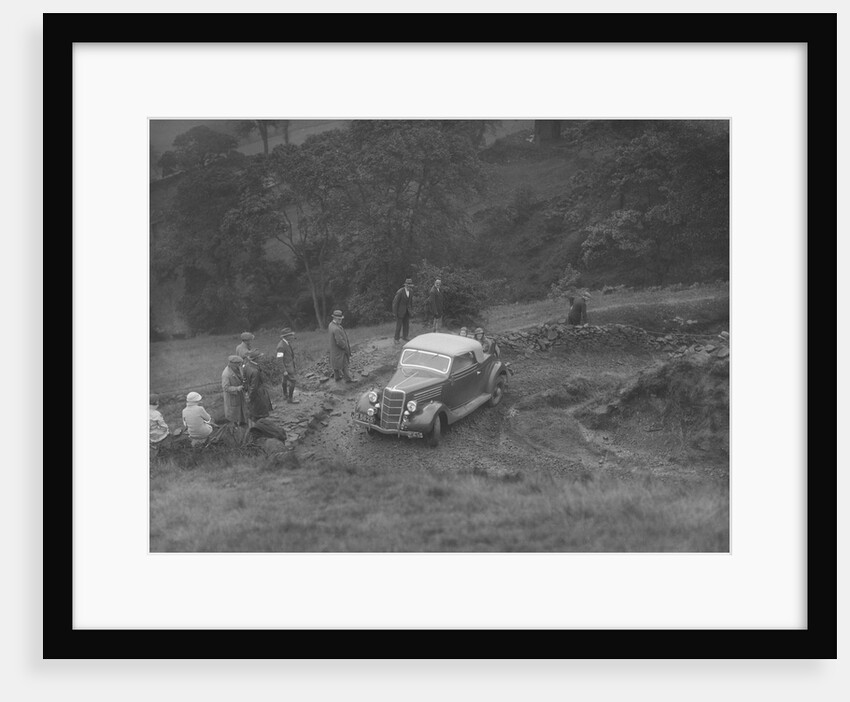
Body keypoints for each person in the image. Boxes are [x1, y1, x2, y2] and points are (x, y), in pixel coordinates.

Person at [243, 348, 274, 423]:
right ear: (256, 359)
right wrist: (251, 397)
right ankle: (260, 427)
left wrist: (247, 392)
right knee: (260, 413)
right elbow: (254, 386)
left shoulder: (247, 366)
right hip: (258, 394)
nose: (261, 358)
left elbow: (245, 380)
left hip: (252, 392)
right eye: (260, 357)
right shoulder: (255, 371)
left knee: (254, 412)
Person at [328, 309, 353, 383]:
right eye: (339, 319)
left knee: (335, 363)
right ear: (335, 318)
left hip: (333, 350)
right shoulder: (336, 329)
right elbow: (339, 342)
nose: (341, 320)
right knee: (344, 364)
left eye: (341, 319)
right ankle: (348, 379)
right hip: (340, 350)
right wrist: (345, 347)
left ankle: (337, 377)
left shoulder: (331, 325)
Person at [221, 355, 247, 425]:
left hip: (240, 396)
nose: (240, 365)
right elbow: (225, 387)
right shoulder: (226, 374)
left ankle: (242, 424)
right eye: (239, 364)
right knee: (234, 415)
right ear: (233, 364)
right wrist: (237, 388)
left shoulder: (238, 369)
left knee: (241, 413)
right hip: (232, 397)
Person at [276, 327, 299, 403]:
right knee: (293, 381)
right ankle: (290, 398)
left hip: (288, 366)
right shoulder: (281, 346)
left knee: (284, 380)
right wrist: (284, 370)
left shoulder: (286, 343)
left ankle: (285, 395)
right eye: (290, 335)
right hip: (287, 367)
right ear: (286, 336)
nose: (292, 336)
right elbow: (279, 360)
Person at [392, 277, 415, 343]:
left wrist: (411, 310)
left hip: (407, 311)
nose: (409, 286)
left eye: (410, 285)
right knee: (399, 326)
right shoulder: (400, 292)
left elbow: (410, 302)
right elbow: (395, 303)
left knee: (406, 325)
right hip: (400, 311)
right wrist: (394, 313)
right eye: (407, 285)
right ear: (405, 285)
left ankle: (405, 336)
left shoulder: (411, 291)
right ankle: (396, 339)